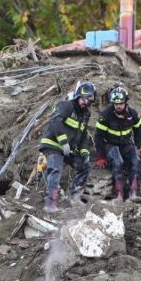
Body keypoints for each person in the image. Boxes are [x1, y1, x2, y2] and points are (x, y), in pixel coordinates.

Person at [38, 81, 95, 212]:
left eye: (88, 101)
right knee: (55, 170)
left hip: (67, 148)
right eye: (83, 99)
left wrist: (84, 151)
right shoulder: (66, 105)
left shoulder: (85, 114)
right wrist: (63, 142)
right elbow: (55, 122)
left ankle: (74, 196)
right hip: (52, 144)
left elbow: (83, 135)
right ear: (77, 96)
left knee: (84, 166)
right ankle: (50, 204)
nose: (85, 103)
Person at [94, 85, 141, 201]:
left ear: (126, 102)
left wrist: (138, 146)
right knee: (117, 161)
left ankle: (133, 193)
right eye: (116, 104)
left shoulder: (133, 114)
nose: (118, 106)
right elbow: (98, 137)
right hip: (110, 144)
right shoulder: (105, 115)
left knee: (136, 160)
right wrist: (100, 155)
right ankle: (119, 195)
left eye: (121, 103)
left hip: (126, 143)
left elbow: (138, 132)